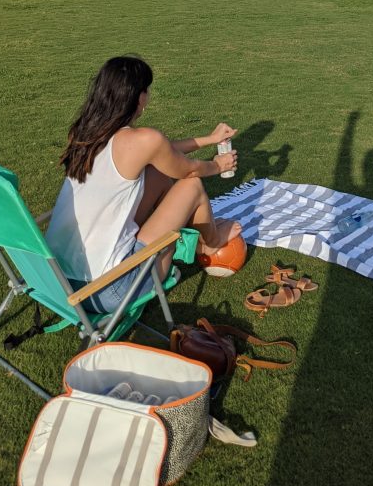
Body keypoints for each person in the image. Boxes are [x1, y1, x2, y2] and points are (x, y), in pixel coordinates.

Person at [45, 56, 241, 313]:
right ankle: (212, 241)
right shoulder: (143, 140)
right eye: (146, 90)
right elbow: (190, 169)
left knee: (157, 174)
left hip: (59, 284)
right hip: (108, 290)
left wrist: (209, 139)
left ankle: (189, 236)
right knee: (191, 186)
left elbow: (163, 152)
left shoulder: (86, 133)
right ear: (138, 97)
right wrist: (218, 166)